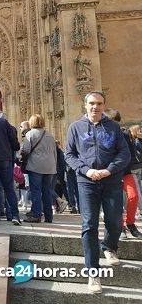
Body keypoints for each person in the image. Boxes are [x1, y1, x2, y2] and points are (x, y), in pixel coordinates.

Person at [65, 91, 130, 294]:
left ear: (104, 105)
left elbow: (124, 153)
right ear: (85, 105)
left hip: (111, 180)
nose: (95, 107)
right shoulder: (75, 127)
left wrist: (109, 170)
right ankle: (93, 273)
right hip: (87, 182)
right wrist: (87, 171)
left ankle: (109, 246)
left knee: (113, 220)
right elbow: (70, 154)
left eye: (99, 103)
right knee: (89, 225)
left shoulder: (113, 127)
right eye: (92, 103)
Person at [104, 110, 141, 238]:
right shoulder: (103, 135)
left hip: (125, 171)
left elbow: (130, 152)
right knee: (116, 200)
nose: (115, 126)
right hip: (110, 173)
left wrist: (125, 163)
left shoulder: (124, 135)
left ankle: (130, 223)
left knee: (134, 196)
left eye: (117, 123)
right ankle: (120, 227)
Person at [20, 114, 57, 223]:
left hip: (36, 166)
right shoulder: (50, 135)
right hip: (50, 167)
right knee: (47, 191)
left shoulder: (30, 134)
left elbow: (25, 150)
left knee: (36, 190)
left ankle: (36, 215)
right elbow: (54, 152)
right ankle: (49, 216)